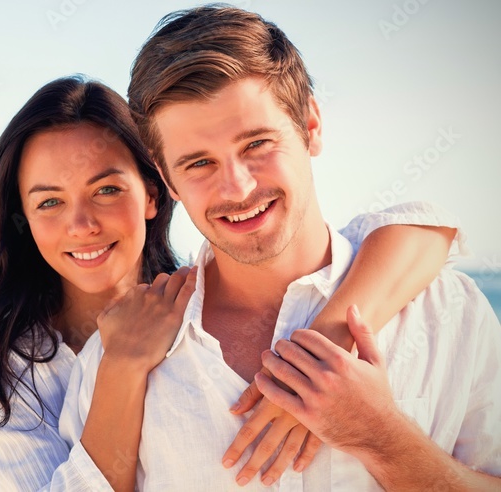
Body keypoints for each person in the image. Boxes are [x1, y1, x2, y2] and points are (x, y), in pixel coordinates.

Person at [0, 74, 460, 490]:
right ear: (24, 218)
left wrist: (329, 346)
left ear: (154, 192)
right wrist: (123, 367)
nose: (82, 225)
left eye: (106, 189)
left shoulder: (205, 299)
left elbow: (416, 231)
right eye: (49, 201)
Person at [61, 5, 500, 490]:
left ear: (311, 125)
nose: (237, 187)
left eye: (256, 144)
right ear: (167, 179)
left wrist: (383, 439)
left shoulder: (448, 313)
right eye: (199, 163)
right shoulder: (116, 359)